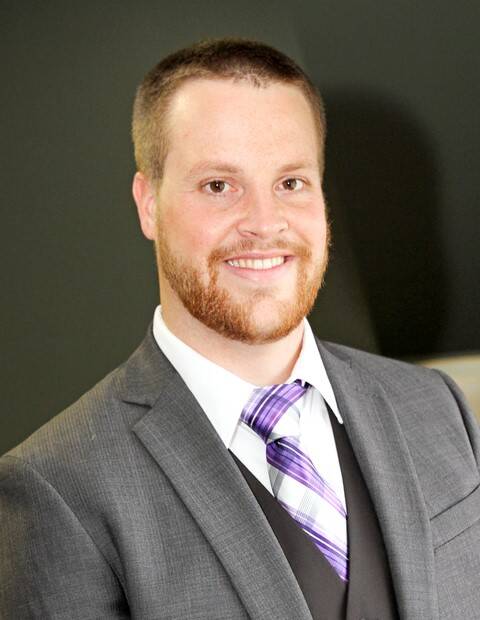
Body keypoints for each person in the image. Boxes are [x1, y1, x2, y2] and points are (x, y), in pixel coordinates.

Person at [1, 38, 479, 620]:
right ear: (148, 203)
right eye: (219, 186)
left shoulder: (436, 408)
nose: (263, 223)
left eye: (291, 182)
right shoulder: (57, 490)